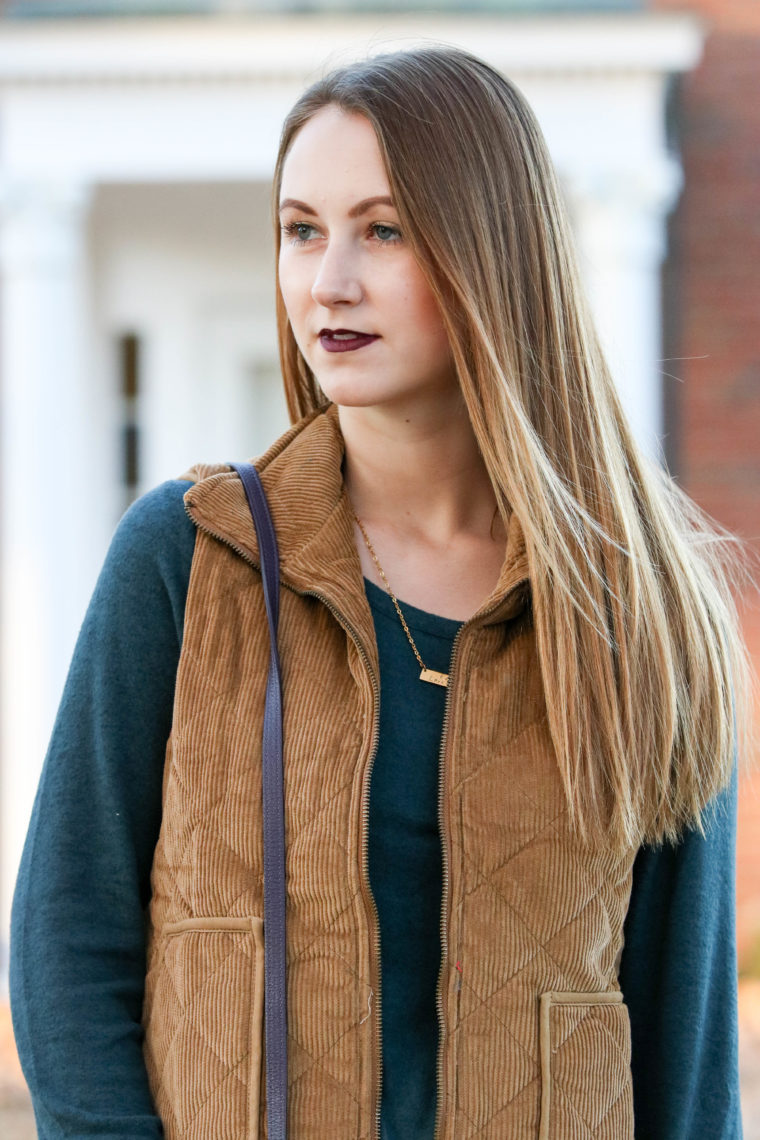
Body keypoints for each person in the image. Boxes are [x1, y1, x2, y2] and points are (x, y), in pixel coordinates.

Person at [9, 45, 755, 1140]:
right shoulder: (186, 562)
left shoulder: (642, 611)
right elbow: (67, 944)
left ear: (490, 253)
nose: (329, 281)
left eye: (383, 230)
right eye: (302, 229)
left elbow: (685, 1056)